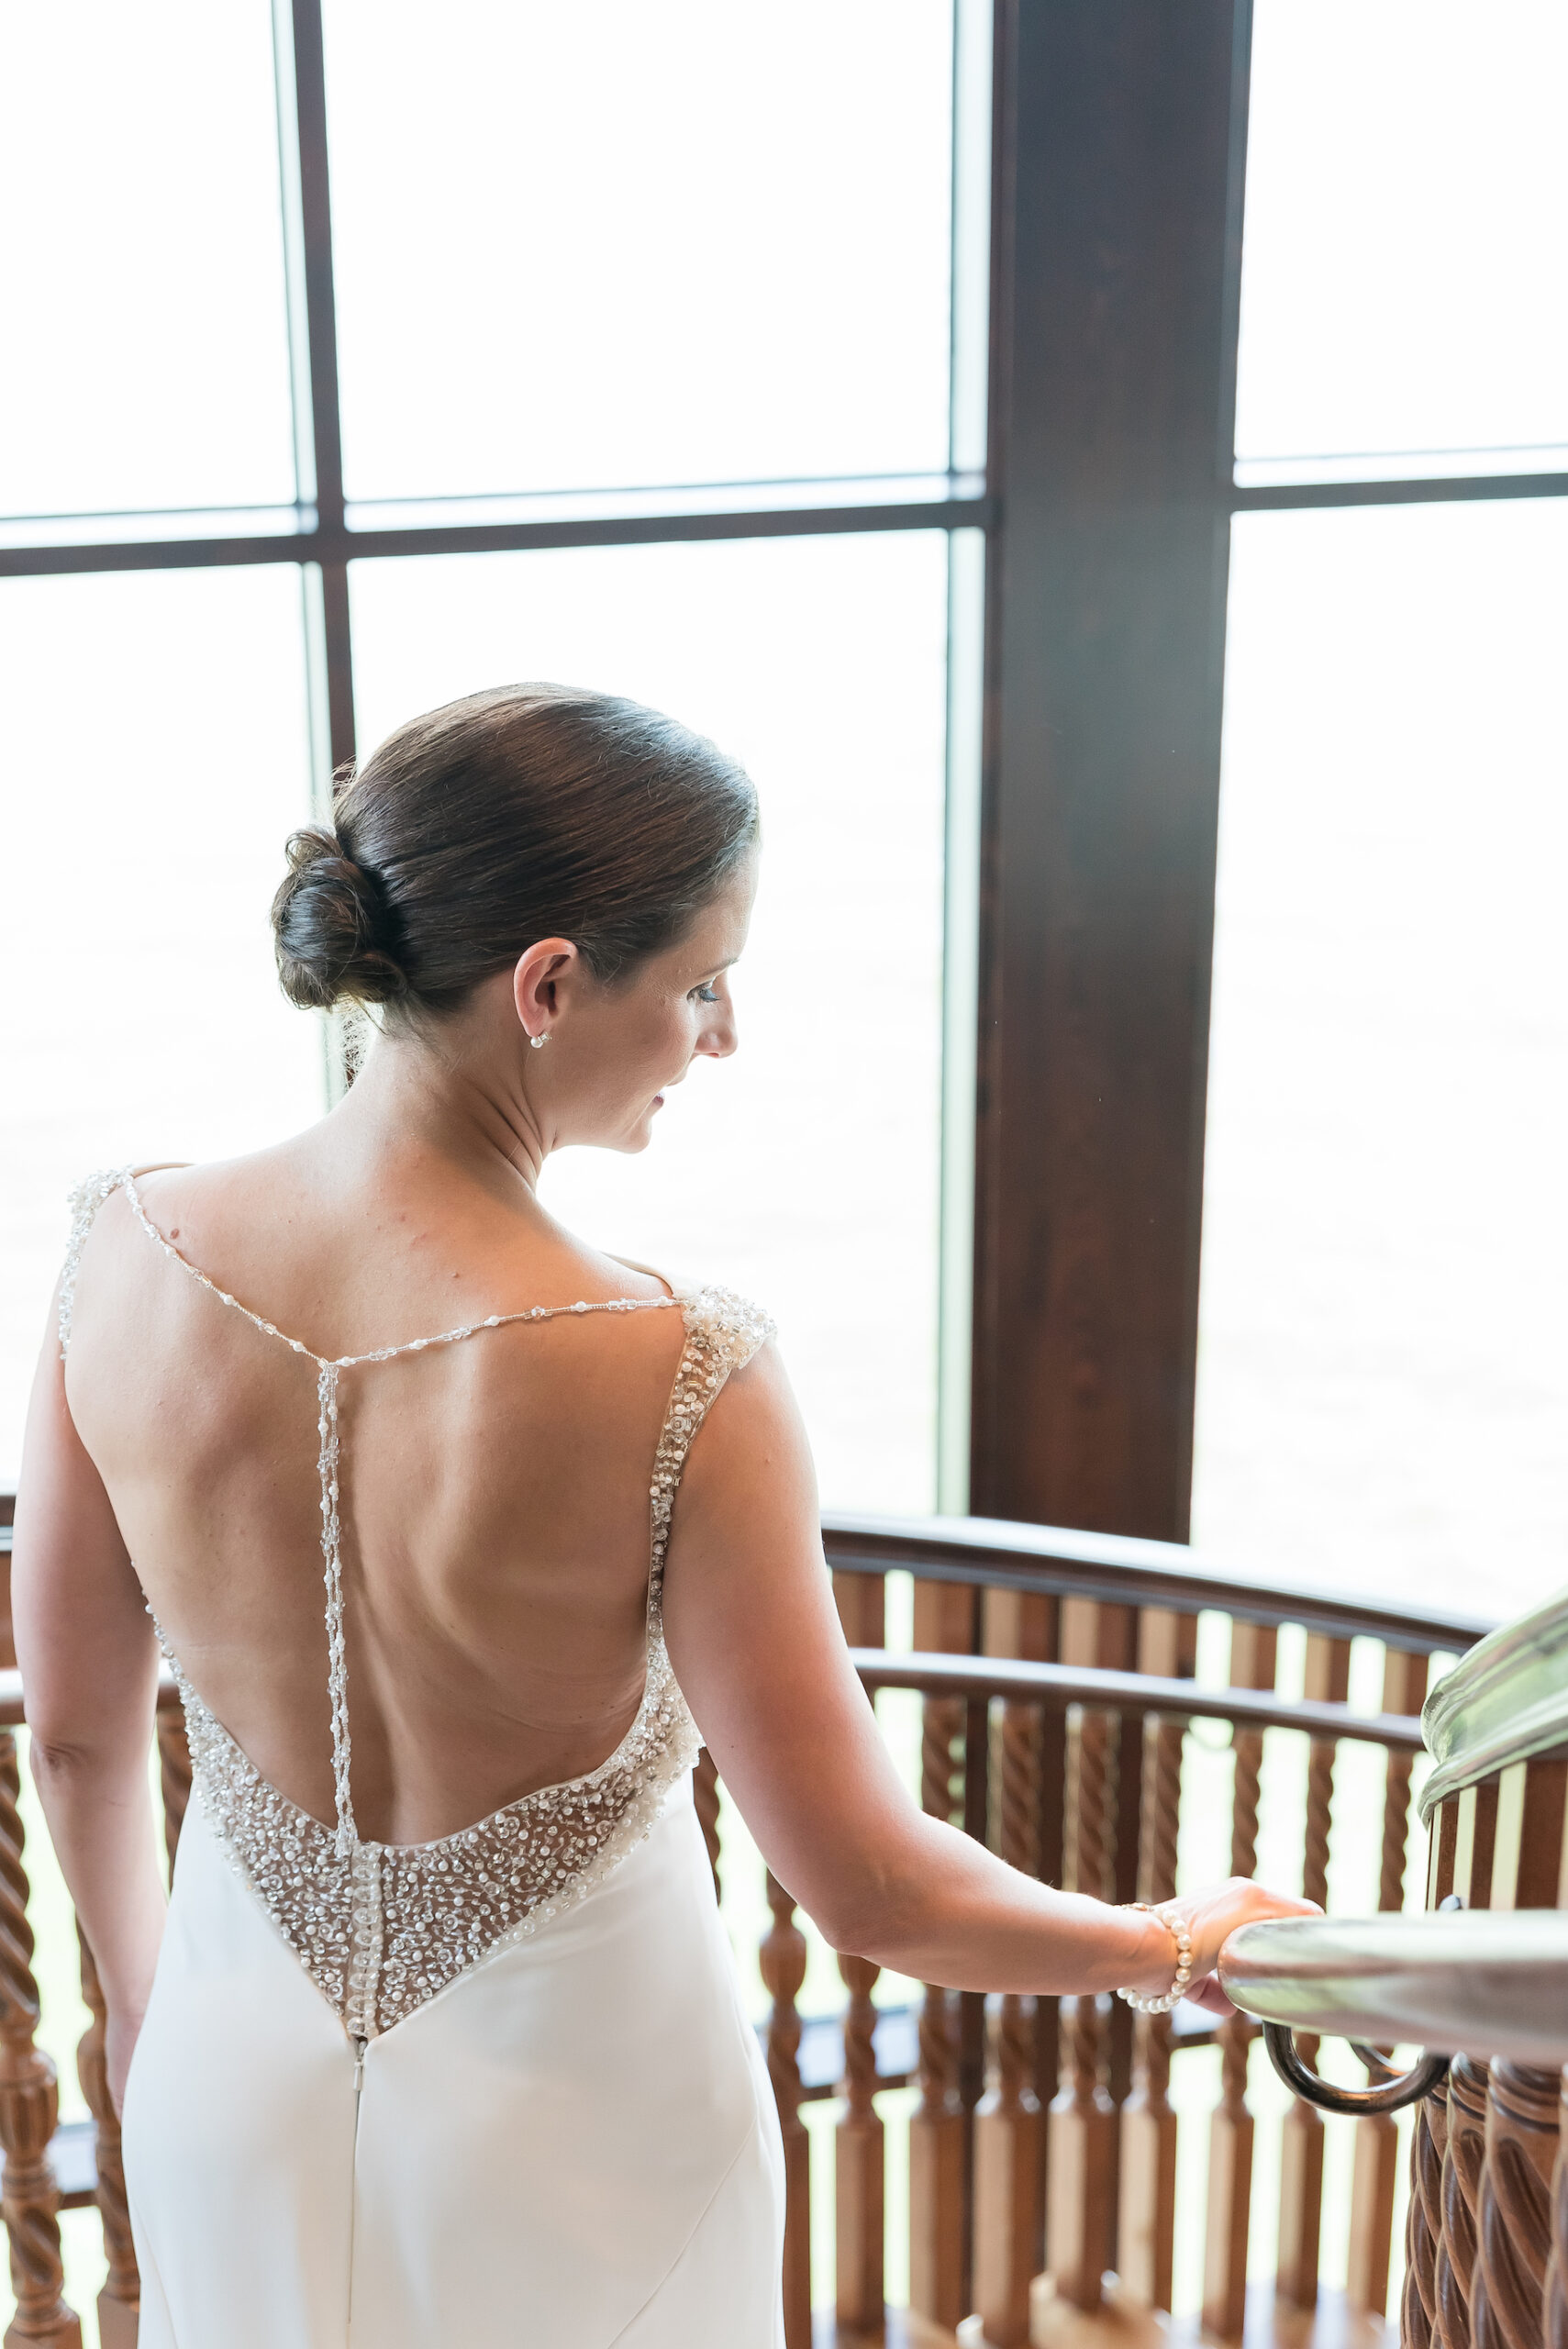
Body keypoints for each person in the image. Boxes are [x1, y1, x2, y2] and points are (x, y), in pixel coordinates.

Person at [12, 684, 1311, 2349]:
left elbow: (76, 1745)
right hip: (584, 2128)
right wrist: (1167, 1938)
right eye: (704, 981)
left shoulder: (117, 1254)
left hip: (224, 2080)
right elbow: (872, 1892)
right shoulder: (684, 1369)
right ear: (549, 983)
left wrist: (143, 2028)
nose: (722, 1037)